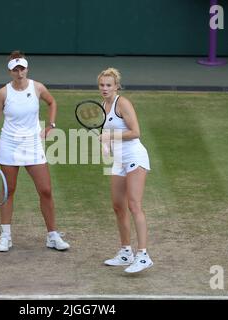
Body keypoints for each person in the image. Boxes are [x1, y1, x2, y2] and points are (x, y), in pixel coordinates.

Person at [0, 50, 70, 252]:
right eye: (15, 69)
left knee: (46, 190)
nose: (19, 72)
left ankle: (52, 236)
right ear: (10, 71)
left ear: (27, 68)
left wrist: (51, 124)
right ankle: (6, 236)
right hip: (9, 146)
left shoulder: (38, 87)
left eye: (22, 68)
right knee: (8, 191)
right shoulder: (3, 93)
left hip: (32, 145)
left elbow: (52, 102)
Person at [98, 68, 153, 273]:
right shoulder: (104, 106)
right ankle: (125, 252)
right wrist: (105, 146)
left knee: (134, 205)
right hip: (119, 161)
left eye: (108, 85)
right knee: (118, 206)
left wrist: (110, 138)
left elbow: (135, 132)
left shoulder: (123, 103)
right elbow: (107, 133)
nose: (105, 88)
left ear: (116, 86)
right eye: (102, 85)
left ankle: (143, 255)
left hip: (135, 158)